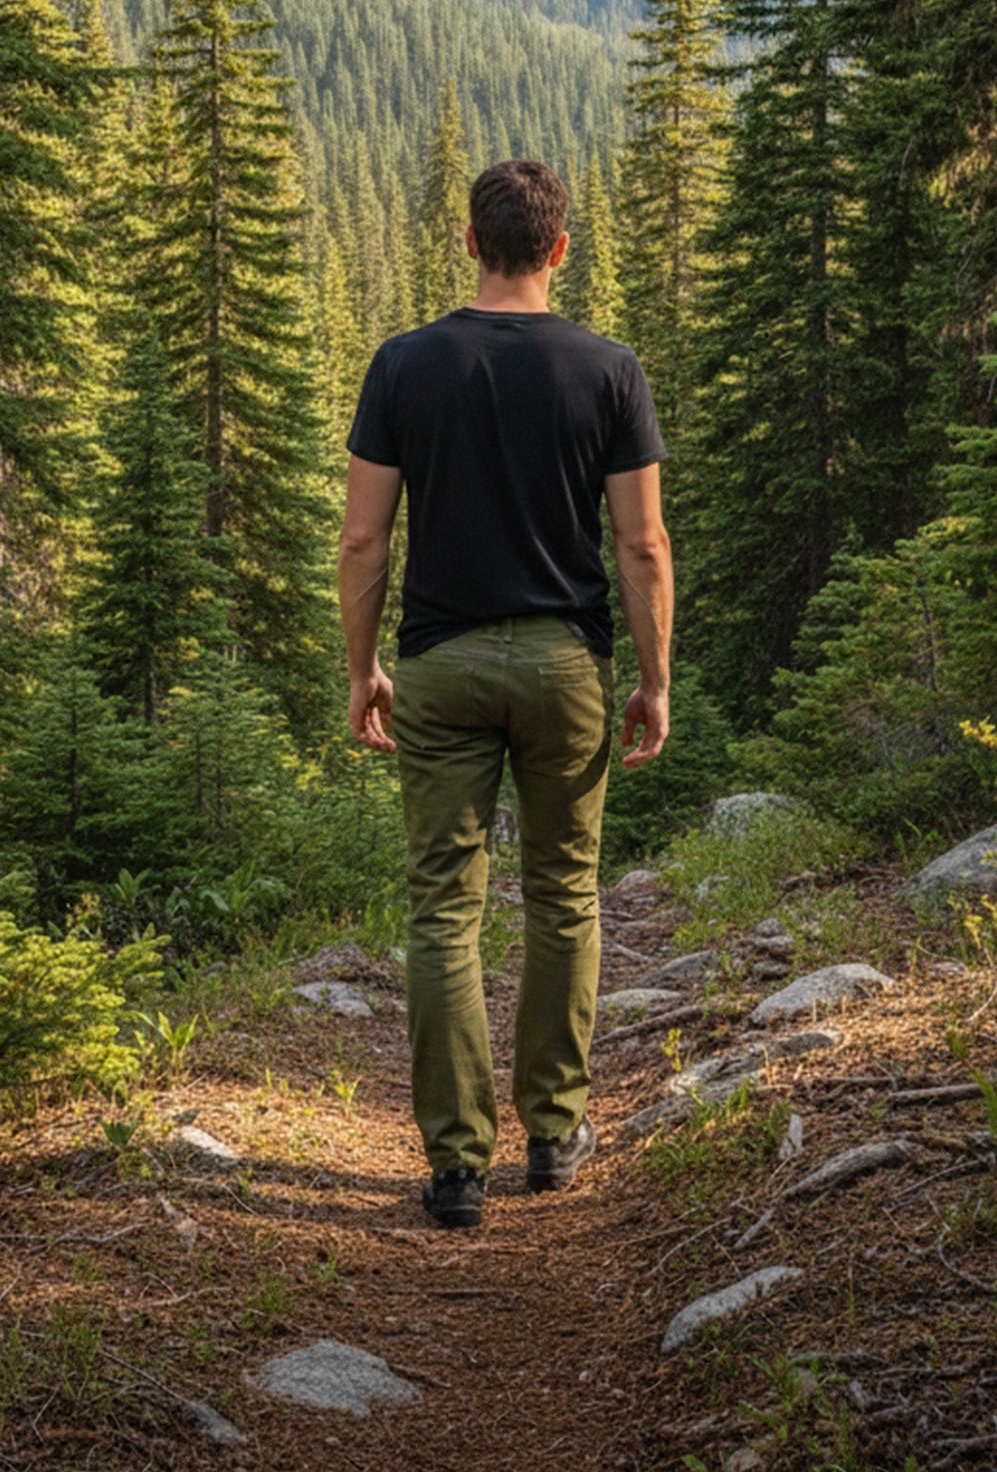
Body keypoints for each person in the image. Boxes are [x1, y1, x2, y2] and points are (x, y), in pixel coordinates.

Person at [338, 156, 672, 1231]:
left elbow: (360, 538)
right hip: (568, 665)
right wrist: (655, 677)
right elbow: (643, 543)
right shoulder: (610, 369)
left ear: (470, 243)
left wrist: (362, 670)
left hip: (440, 662)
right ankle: (554, 1132)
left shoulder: (402, 365)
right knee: (564, 894)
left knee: (445, 908)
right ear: (560, 249)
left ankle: (453, 1166)